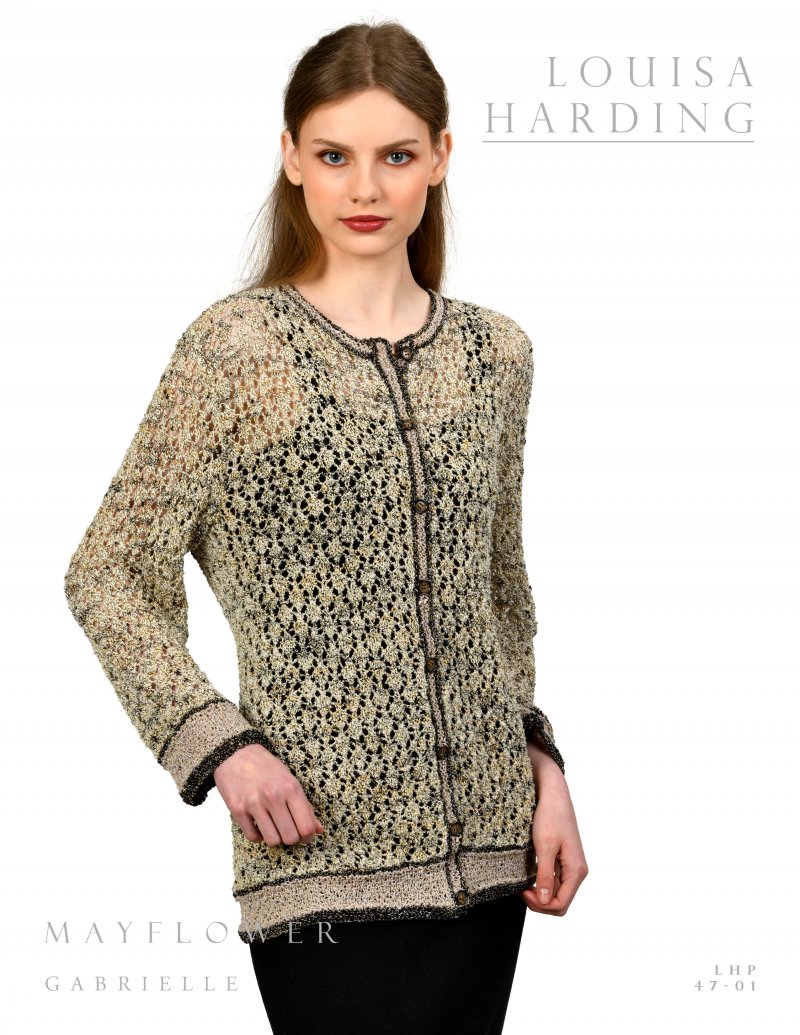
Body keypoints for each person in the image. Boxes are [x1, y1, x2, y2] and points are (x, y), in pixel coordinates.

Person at [64, 18, 588, 1035]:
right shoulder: (236, 350)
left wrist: (544, 763)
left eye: (396, 155)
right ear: (291, 158)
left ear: (440, 156)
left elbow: (499, 594)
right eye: (335, 155)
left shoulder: (496, 356)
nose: (365, 187)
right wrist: (218, 746)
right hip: (315, 852)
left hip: (492, 852)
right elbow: (107, 571)